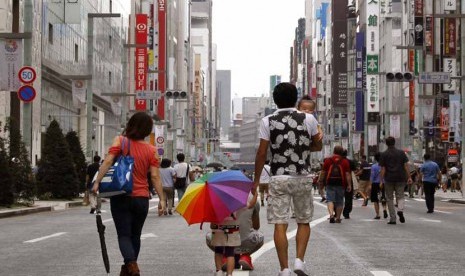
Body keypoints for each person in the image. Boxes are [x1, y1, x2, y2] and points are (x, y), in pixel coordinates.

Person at [253, 82, 321, 276]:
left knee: (280, 223)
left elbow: (261, 153)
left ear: (275, 100)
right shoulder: (308, 118)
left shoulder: (268, 121)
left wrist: (256, 181)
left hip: (279, 176)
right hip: (302, 175)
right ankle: (299, 261)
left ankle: (284, 269)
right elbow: (316, 147)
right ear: (295, 99)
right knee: (303, 220)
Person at [92, 112, 165, 276]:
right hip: (142, 198)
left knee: (124, 234)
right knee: (136, 235)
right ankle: (129, 268)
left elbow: (109, 161)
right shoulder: (152, 150)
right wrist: (162, 199)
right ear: (148, 130)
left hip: (121, 195)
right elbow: (154, 176)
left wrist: (97, 182)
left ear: (131, 124)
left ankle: (131, 264)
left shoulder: (121, 141)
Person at [206, 193, 264, 272]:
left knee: (211, 240)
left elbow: (212, 226)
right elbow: (256, 226)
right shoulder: (245, 200)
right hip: (240, 238)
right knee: (260, 236)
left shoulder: (216, 201)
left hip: (221, 239)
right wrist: (255, 196)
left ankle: (221, 264)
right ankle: (245, 256)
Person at [379, 137, 412, 225]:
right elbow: (406, 166)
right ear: (394, 143)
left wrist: (381, 180)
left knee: (389, 198)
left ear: (386, 143)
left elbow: (383, 168)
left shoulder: (384, 154)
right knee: (400, 195)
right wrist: (409, 177)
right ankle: (400, 210)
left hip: (389, 178)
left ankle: (393, 218)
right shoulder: (401, 153)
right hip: (401, 177)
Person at [319, 146, 352, 223]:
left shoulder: (328, 160)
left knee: (330, 199)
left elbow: (323, 172)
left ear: (334, 151)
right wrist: (349, 185)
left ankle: (331, 215)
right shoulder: (345, 161)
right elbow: (347, 174)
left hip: (330, 183)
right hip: (341, 183)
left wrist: (321, 181)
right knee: (340, 201)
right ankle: (338, 217)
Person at [370, 153, 388, 219]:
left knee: (375, 199)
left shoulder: (374, 166)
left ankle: (377, 214)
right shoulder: (385, 166)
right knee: (383, 197)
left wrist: (370, 184)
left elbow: (372, 176)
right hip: (383, 183)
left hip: (375, 183)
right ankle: (384, 209)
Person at [342, 150, 357, 219]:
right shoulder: (350, 161)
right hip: (348, 180)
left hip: (339, 180)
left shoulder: (338, 161)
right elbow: (354, 169)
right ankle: (347, 212)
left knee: (337, 197)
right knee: (348, 197)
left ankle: (336, 212)